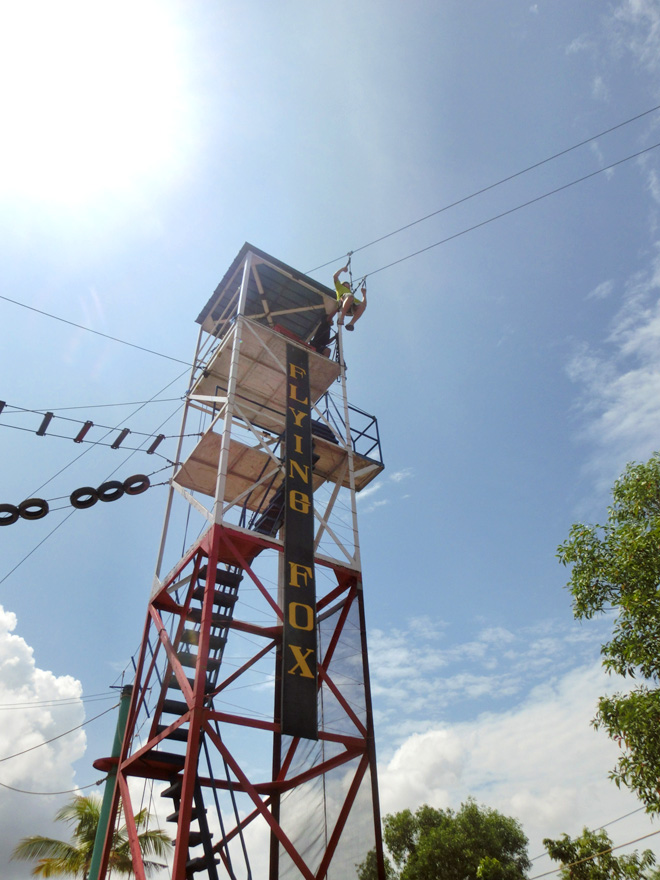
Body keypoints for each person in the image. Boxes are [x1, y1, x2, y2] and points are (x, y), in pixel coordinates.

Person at [333, 265, 367, 331]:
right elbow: (335, 276)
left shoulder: (352, 297)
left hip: (350, 308)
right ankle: (341, 318)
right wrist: (343, 269)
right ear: (343, 284)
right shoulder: (339, 287)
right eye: (347, 283)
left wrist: (364, 294)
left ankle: (351, 323)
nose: (348, 285)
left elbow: (364, 304)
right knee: (350, 296)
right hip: (342, 303)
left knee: (362, 306)